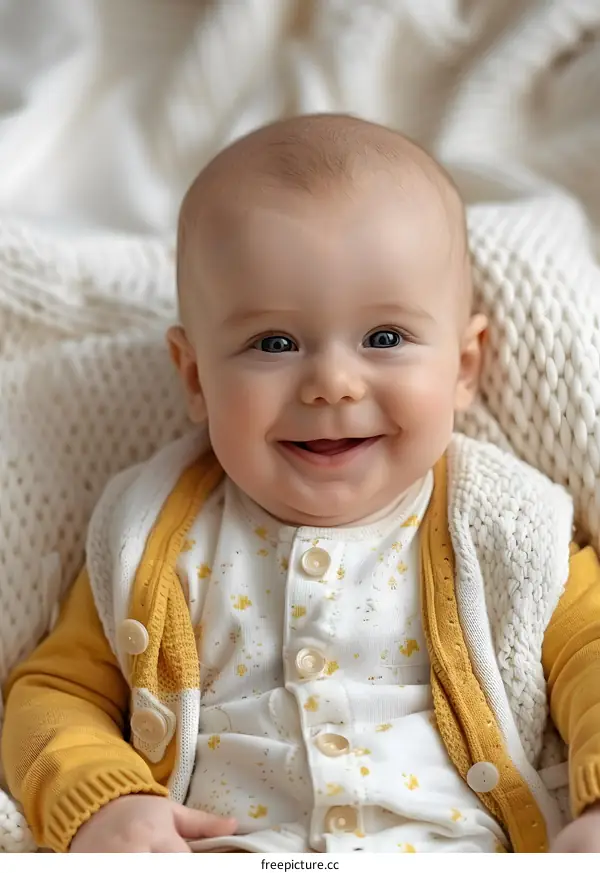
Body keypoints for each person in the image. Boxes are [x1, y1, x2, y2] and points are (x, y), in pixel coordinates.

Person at [3, 114, 600, 854]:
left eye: (385, 338)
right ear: (195, 377)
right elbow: (55, 693)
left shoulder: (507, 526)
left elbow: (593, 655)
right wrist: (103, 799)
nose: (331, 384)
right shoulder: (150, 535)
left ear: (465, 367)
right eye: (274, 343)